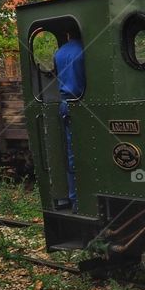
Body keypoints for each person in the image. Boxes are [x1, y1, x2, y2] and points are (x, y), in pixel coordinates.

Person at [53, 33, 86, 211]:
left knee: (71, 152)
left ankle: (75, 199)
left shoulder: (58, 53)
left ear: (67, 34)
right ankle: (82, 200)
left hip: (65, 103)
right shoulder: (85, 50)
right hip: (82, 101)